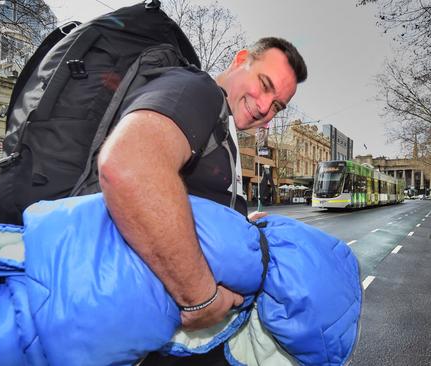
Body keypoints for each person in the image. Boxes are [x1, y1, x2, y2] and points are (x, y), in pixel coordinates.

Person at [97, 37, 307, 365]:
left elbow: (190, 203)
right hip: (160, 337)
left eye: (278, 105)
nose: (266, 107)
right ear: (240, 60)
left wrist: (238, 226)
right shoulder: (198, 91)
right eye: (264, 85)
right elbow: (128, 166)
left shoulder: (223, 127)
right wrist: (200, 298)